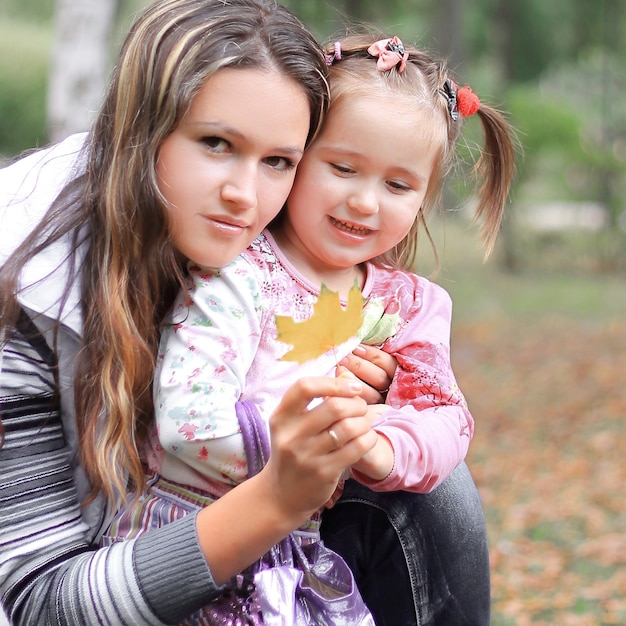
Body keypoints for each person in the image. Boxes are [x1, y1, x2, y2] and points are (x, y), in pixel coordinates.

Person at [104, 33, 517, 625]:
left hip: (305, 558)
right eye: (343, 168)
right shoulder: (239, 271)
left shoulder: (408, 304)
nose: (365, 202)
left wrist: (380, 449)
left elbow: (445, 416)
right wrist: (316, 453)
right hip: (194, 538)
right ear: (296, 159)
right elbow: (186, 417)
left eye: (398, 185)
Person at [0, 1, 358, 624]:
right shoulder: (22, 288)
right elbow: (40, 603)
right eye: (216, 143)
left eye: (278, 162)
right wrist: (275, 500)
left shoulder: (264, 259)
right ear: (141, 129)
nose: (244, 196)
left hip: (201, 559)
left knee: (429, 495)